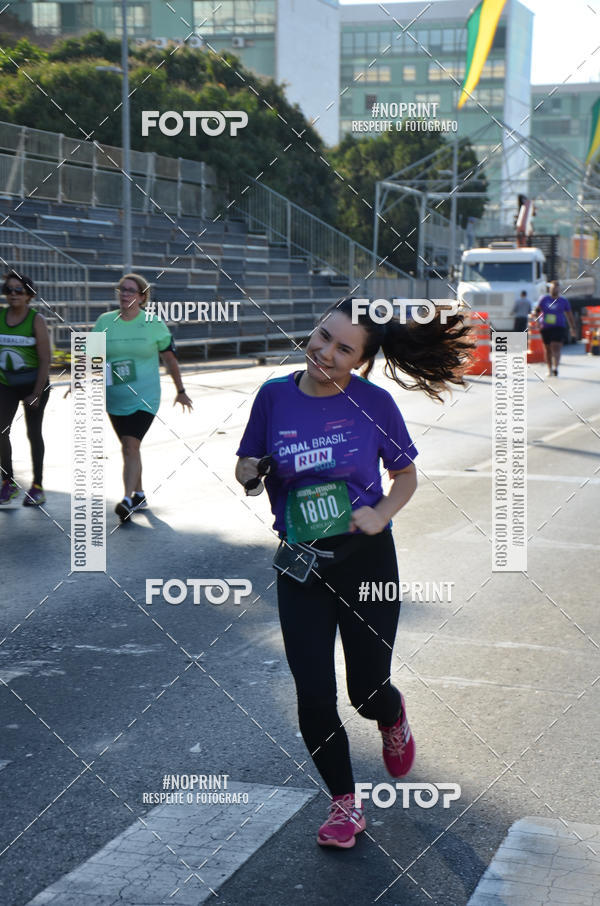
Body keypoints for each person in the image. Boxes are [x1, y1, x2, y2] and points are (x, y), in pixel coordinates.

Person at [235, 298, 472, 849]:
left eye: (344, 349)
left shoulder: (375, 404)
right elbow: (247, 466)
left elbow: (406, 476)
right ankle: (345, 804)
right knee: (313, 693)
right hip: (301, 563)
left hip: (366, 560)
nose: (326, 352)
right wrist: (248, 471)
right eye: (323, 336)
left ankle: (392, 717)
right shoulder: (273, 396)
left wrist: (381, 512)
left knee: (365, 691)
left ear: (360, 361)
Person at [92, 273, 193, 521]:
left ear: (142, 297)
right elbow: (92, 356)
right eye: (122, 289)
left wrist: (180, 390)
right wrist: (79, 380)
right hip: (114, 398)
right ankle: (139, 493)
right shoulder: (105, 321)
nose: (125, 294)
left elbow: (170, 359)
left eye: (130, 290)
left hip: (145, 397)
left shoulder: (153, 323)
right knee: (129, 448)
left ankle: (126, 500)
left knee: (130, 445)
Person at [0, 271, 51, 506]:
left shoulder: (36, 320)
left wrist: (37, 393)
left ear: (28, 295)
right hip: (7, 383)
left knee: (34, 433)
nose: (13, 294)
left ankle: (37, 486)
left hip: (34, 384)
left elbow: (45, 360)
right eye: (9, 289)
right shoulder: (0, 317)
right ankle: (7, 483)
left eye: (18, 290)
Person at [534, 280, 576, 377]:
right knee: (548, 349)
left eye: (556, 288)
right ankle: (549, 369)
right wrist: (537, 322)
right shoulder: (543, 299)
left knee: (556, 347)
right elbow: (536, 311)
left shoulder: (563, 301)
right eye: (552, 288)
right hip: (545, 327)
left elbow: (569, 315)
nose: (554, 290)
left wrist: (572, 328)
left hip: (559, 327)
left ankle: (555, 367)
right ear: (549, 289)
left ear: (559, 289)